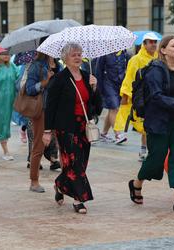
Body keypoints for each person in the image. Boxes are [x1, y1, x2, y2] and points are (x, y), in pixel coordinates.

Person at [128, 35, 174, 214]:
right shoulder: (155, 70)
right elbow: (156, 96)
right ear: (163, 50)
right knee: (156, 158)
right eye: (173, 45)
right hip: (159, 121)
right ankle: (136, 183)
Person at [43, 42, 102, 214]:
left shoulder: (87, 76)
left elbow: (97, 107)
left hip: (85, 125)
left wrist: (95, 88)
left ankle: (60, 185)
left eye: (79, 54)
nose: (77, 57)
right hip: (66, 127)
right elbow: (50, 106)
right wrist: (47, 131)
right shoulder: (59, 79)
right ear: (65, 58)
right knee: (74, 162)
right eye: (73, 54)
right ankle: (79, 199)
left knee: (81, 163)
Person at [114, 32, 159, 160]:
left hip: (156, 95)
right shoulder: (135, 60)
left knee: (152, 124)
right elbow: (129, 78)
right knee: (145, 123)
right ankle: (144, 149)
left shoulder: (158, 58)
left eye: (155, 42)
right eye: (150, 42)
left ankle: (151, 150)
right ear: (144, 44)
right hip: (142, 96)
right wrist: (125, 95)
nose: (153, 44)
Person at [25, 52, 54, 193]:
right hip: (42, 110)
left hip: (56, 109)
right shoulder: (36, 66)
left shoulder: (59, 66)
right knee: (39, 146)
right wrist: (45, 82)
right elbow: (29, 89)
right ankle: (34, 181)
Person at [95, 50, 128, 144]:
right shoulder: (104, 53)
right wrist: (99, 88)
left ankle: (104, 133)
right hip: (108, 84)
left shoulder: (125, 54)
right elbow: (98, 71)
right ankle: (118, 135)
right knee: (114, 108)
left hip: (120, 85)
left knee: (111, 110)